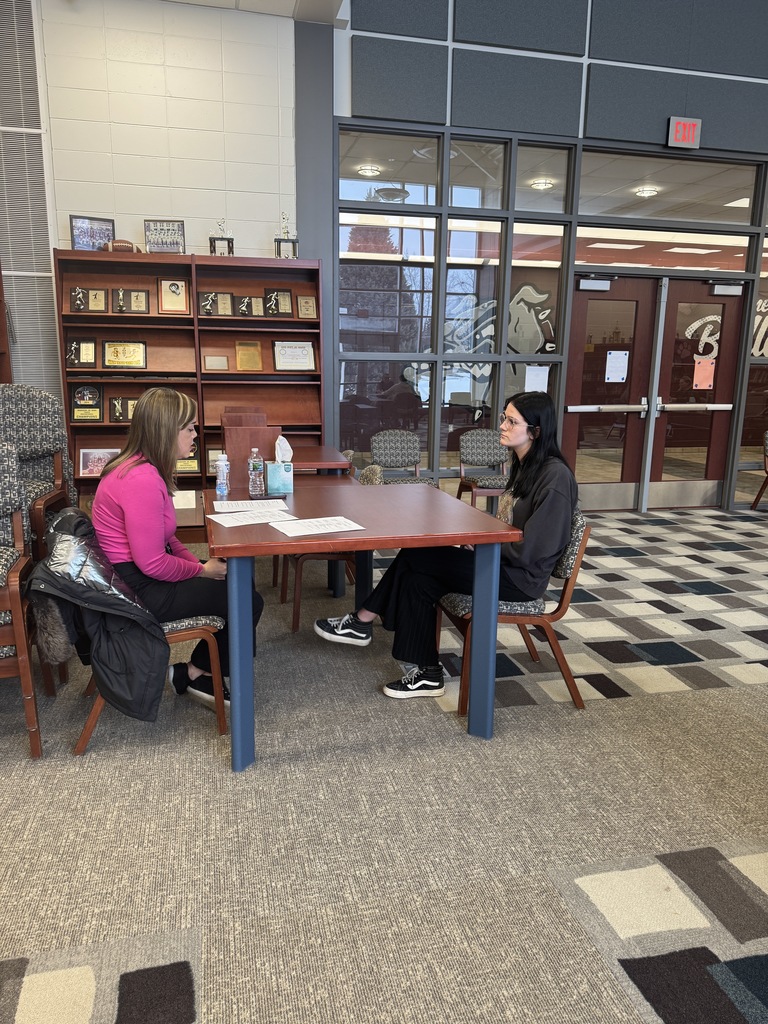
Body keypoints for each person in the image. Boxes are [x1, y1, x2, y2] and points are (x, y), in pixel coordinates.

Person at [314, 391, 578, 698]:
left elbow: (534, 549)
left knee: (419, 558)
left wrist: (480, 543)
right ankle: (426, 671)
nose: (502, 426)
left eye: (511, 421)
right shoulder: (527, 466)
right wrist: (479, 539)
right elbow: (512, 529)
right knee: (418, 576)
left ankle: (363, 620)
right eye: (504, 417)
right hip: (499, 561)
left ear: (536, 431)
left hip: (518, 579)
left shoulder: (555, 477)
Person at [91, 387, 264, 709]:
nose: (195, 434)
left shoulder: (141, 468)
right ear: (166, 431)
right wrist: (200, 570)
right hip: (138, 589)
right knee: (246, 600)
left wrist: (203, 569)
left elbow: (168, 539)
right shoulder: (140, 479)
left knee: (237, 579)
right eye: (189, 428)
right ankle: (202, 674)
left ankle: (197, 672)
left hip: (135, 577)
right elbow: (152, 563)